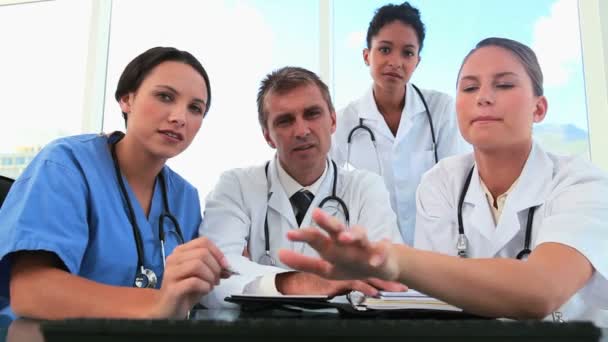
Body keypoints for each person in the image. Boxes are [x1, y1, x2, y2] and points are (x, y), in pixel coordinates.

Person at [279, 38, 608, 326]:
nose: (483, 97)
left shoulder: (581, 183)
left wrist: (392, 259)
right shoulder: (440, 183)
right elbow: (435, 299)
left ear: (539, 109)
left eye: (504, 85)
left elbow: (540, 291)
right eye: (469, 87)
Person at [0, 47, 231, 320]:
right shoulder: (66, 164)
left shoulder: (185, 197)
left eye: (195, 108)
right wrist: (156, 303)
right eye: (164, 96)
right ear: (126, 99)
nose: (180, 117)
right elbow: (32, 292)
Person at [200, 66, 405, 308]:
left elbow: (387, 277)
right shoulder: (236, 186)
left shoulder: (365, 187)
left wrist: (259, 282)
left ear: (333, 121)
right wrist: (293, 283)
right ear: (267, 136)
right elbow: (210, 277)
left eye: (312, 114)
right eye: (285, 121)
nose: (301, 131)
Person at [331, 2, 469, 245]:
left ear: (417, 61)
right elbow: (325, 189)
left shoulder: (441, 110)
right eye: (385, 50)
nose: (395, 61)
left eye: (407, 53)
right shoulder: (344, 122)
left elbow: (460, 184)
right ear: (366, 55)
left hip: (434, 252)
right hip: (372, 254)